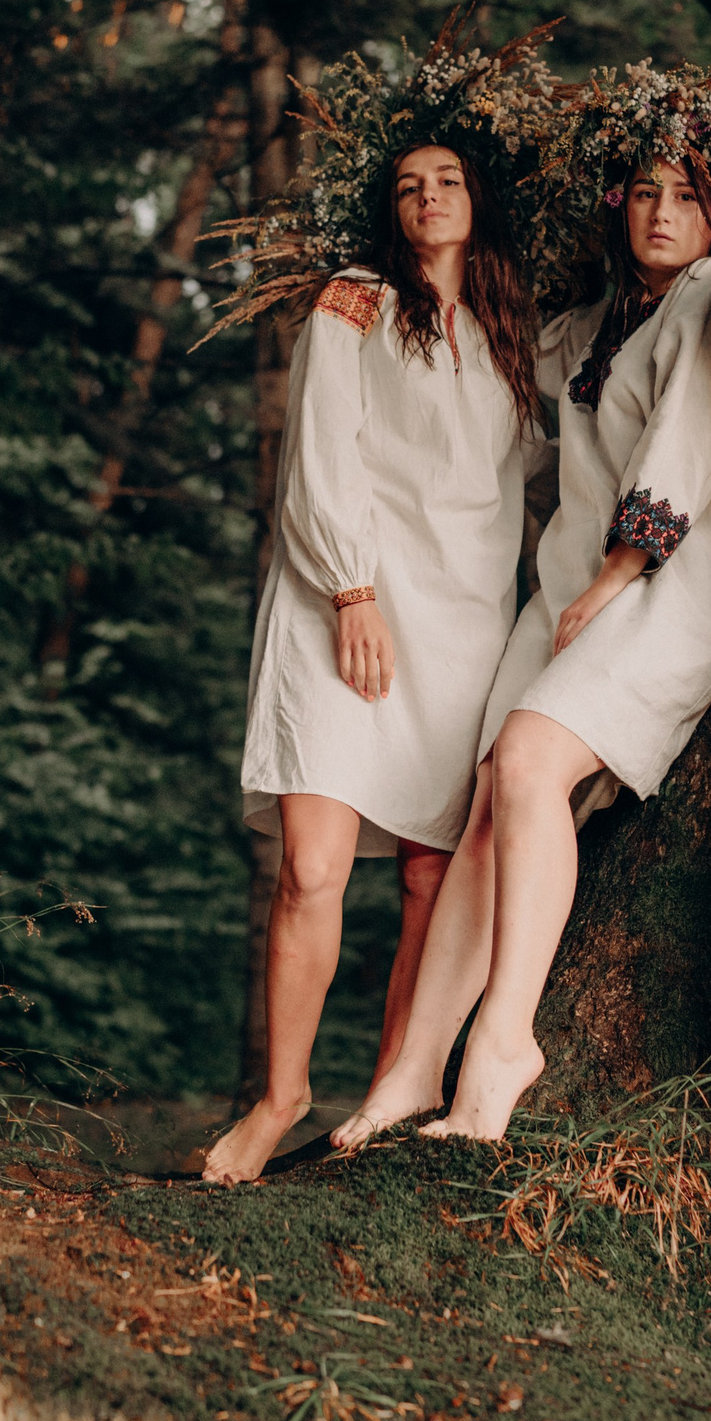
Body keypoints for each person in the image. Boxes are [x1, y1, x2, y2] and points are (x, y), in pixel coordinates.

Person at [331, 152, 711, 1147]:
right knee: (491, 800)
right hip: (566, 583)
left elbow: (687, 443)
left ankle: (505, 1041)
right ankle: (409, 1067)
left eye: (688, 194)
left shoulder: (710, 295)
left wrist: (615, 575)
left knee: (526, 766)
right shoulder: (587, 322)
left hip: (667, 576)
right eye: (643, 190)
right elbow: (499, 430)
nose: (662, 211)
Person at [206, 141, 544, 1185]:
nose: (427, 196)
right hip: (338, 599)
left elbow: (537, 469)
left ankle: (394, 1087)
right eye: (407, 186)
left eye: (445, 179)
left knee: (429, 873)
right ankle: (281, 1094)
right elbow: (320, 445)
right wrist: (352, 589)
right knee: (311, 866)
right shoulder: (352, 299)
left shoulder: (514, 328)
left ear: (477, 197)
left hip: (462, 617)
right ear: (387, 211)